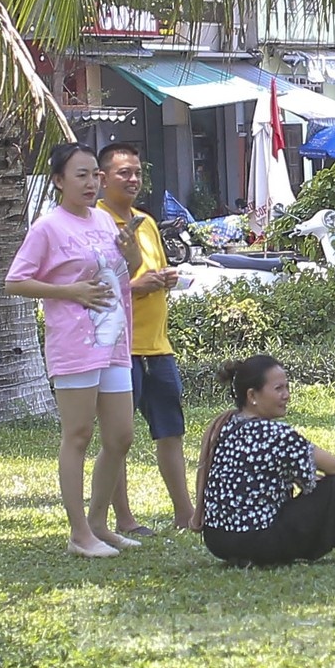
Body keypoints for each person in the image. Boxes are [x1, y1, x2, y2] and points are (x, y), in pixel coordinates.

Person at [3, 142, 139, 558]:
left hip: (114, 343)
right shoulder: (48, 227)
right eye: (80, 175)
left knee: (121, 436)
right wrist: (69, 291)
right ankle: (79, 534)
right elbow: (15, 281)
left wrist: (129, 246)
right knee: (77, 435)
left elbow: (127, 270)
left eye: (94, 175)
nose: (91, 182)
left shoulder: (103, 219)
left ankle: (100, 524)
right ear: (59, 181)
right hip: (75, 346)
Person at [194, 355, 335, 566]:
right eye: (278, 389)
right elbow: (334, 467)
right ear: (252, 395)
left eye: (287, 387)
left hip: (219, 539)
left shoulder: (225, 423)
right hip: (256, 538)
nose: (286, 395)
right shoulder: (275, 434)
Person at [98, 141, 197, 536]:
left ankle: (186, 514)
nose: (133, 179)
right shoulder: (98, 223)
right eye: (124, 172)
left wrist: (165, 279)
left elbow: (151, 272)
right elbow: (101, 283)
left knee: (170, 430)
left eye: (138, 172)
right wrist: (140, 286)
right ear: (103, 178)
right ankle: (124, 520)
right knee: (118, 440)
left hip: (158, 347)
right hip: (119, 350)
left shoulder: (147, 221)